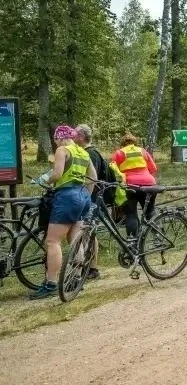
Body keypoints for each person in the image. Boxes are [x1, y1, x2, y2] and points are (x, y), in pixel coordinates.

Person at [29, 125, 97, 300]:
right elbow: (93, 178)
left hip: (66, 196)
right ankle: (76, 279)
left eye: (55, 139)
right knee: (75, 240)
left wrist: (43, 181)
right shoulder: (83, 152)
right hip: (82, 196)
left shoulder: (62, 150)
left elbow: (57, 174)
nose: (55, 142)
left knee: (53, 241)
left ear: (60, 137)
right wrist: (86, 197)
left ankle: (51, 283)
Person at [73, 124, 107, 280]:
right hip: (91, 197)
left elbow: (91, 179)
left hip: (91, 198)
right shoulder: (89, 152)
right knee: (90, 232)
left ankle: (92, 268)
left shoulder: (90, 154)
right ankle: (91, 267)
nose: (73, 138)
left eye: (75, 135)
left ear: (81, 137)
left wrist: (86, 198)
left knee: (89, 232)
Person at [111, 133, 158, 242]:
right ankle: (158, 238)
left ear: (123, 144)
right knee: (150, 212)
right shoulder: (142, 151)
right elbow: (153, 168)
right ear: (135, 142)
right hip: (149, 184)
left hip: (130, 186)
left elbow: (113, 170)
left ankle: (133, 242)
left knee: (131, 214)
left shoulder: (119, 153)